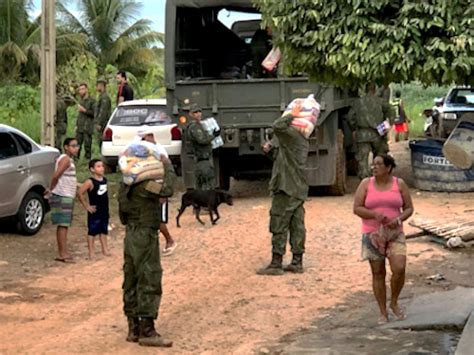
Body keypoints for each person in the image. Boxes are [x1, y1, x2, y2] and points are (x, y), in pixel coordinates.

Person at [118, 152, 176, 347]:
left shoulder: (124, 187)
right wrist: (167, 165)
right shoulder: (145, 186)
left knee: (131, 277)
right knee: (149, 276)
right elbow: (167, 189)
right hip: (145, 233)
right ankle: (147, 330)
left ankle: (133, 327)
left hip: (131, 234)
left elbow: (122, 216)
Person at [353, 154, 414, 324]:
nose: (374, 167)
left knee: (399, 268)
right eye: (373, 165)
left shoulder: (399, 184)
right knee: (378, 273)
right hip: (372, 234)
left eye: (378, 164)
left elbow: (409, 208)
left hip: (395, 233)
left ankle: (394, 302)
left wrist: (399, 219)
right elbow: (357, 208)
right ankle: (382, 312)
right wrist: (374, 214)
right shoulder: (366, 184)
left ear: (388, 168)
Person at [257, 102, 309, 275]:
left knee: (279, 222)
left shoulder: (292, 136)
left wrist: (292, 114)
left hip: (286, 187)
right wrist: (269, 150)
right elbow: (281, 159)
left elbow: (277, 125)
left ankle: (276, 263)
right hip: (297, 188)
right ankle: (297, 261)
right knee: (297, 224)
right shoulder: (297, 140)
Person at [139, 128, 178, 256]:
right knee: (148, 217)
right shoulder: (143, 149)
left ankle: (169, 241)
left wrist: (164, 192)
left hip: (159, 186)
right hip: (148, 186)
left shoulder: (159, 150)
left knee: (159, 219)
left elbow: (168, 171)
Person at [347, 83, 393, 180]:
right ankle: (379, 177)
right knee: (380, 156)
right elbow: (391, 111)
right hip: (378, 133)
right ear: (375, 90)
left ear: (365, 90)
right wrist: (388, 124)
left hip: (362, 134)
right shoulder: (380, 101)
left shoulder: (358, 102)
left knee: (362, 159)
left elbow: (350, 117)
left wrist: (354, 128)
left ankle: (364, 180)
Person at [45, 138, 79, 263]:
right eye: (73, 146)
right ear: (66, 147)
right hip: (62, 194)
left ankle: (63, 252)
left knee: (64, 224)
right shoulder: (65, 160)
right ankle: (62, 253)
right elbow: (56, 175)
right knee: (63, 225)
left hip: (66, 194)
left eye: (77, 146)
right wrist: (51, 189)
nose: (76, 148)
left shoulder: (67, 160)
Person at [78, 159, 111, 260]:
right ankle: (91, 252)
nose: (101, 168)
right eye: (98, 166)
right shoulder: (90, 182)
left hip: (104, 209)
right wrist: (86, 205)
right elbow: (80, 192)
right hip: (94, 210)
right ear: (92, 169)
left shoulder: (104, 180)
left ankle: (105, 249)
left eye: (102, 166)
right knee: (92, 231)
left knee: (103, 229)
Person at [187, 104, 220, 190]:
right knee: (207, 183)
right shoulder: (194, 127)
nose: (198, 114)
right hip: (202, 160)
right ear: (191, 114)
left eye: (199, 112)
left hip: (205, 159)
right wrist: (213, 135)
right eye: (195, 113)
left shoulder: (199, 125)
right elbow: (202, 140)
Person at [75, 83, 96, 160]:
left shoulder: (92, 101)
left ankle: (87, 160)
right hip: (80, 126)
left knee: (87, 145)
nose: (81, 91)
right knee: (77, 144)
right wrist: (76, 125)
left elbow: (94, 113)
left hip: (87, 126)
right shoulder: (81, 101)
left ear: (87, 90)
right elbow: (79, 115)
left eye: (82, 89)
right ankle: (76, 159)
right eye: (80, 89)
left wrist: (84, 110)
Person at [95, 78, 112, 148]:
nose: (96, 87)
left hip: (104, 123)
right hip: (103, 123)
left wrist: (99, 123)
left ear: (101, 86)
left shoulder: (105, 97)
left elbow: (103, 111)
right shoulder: (101, 96)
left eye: (97, 85)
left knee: (102, 141)